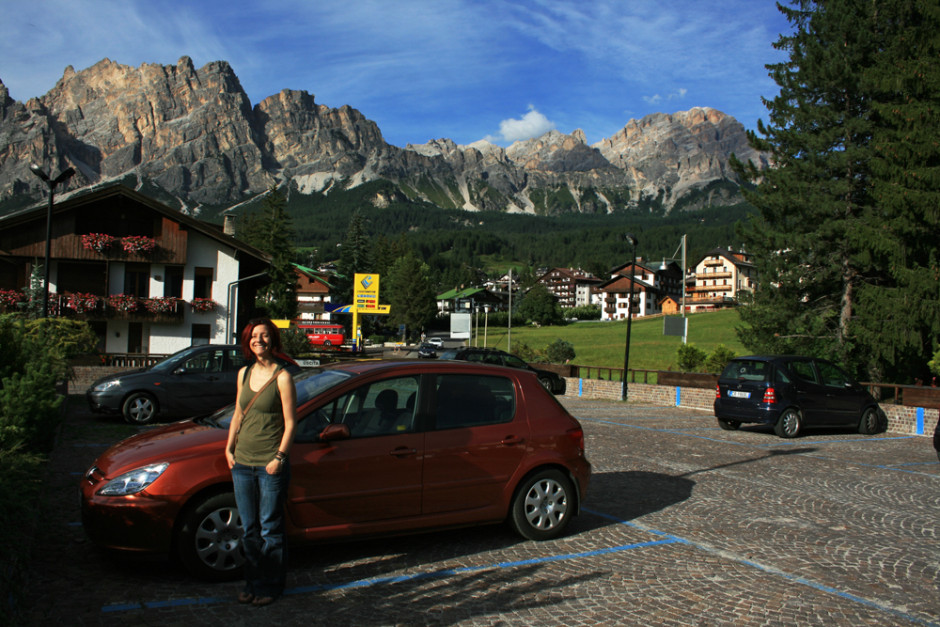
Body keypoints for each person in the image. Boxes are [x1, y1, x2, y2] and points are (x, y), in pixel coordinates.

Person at [225, 318, 297, 607]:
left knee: (270, 529)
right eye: (254, 336)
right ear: (248, 341)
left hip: (270, 464)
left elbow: (291, 422)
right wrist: (228, 449)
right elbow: (238, 415)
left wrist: (279, 457)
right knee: (250, 529)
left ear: (273, 340)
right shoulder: (243, 374)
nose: (259, 340)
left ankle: (271, 586)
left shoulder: (282, 376)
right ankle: (252, 583)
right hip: (242, 462)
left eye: (265, 336)